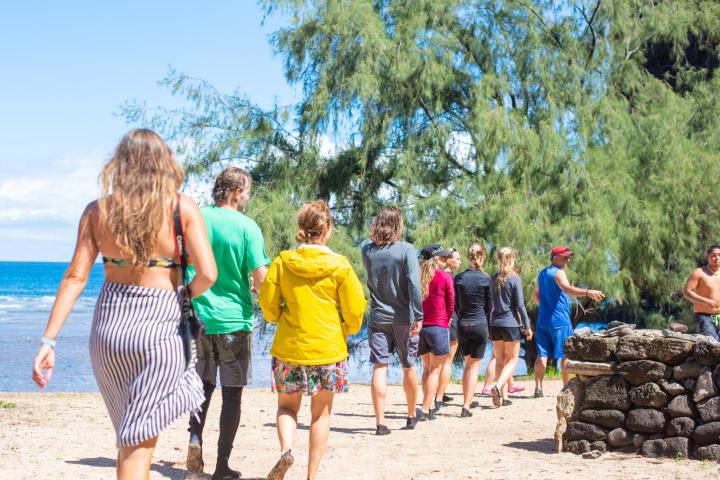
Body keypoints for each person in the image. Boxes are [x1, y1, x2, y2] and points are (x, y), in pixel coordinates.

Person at [32, 129, 217, 480]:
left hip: (109, 333)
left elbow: (75, 278)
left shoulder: (97, 211)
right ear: (163, 163)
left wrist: (48, 341)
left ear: (120, 164)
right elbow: (208, 274)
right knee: (138, 446)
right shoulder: (181, 208)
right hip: (159, 330)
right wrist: (181, 296)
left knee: (129, 439)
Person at [259, 201, 366, 480]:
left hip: (289, 348)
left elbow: (268, 306)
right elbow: (355, 311)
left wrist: (279, 316)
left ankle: (286, 451)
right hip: (328, 350)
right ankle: (312, 476)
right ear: (327, 228)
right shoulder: (340, 266)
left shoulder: (283, 261)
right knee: (321, 414)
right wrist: (345, 329)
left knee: (286, 407)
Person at [186, 167, 270, 479]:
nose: (247, 197)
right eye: (246, 191)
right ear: (236, 193)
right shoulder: (247, 227)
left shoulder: (198, 218)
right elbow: (261, 278)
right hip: (234, 321)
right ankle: (222, 466)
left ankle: (194, 439)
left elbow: (186, 261)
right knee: (231, 395)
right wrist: (275, 305)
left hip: (199, 318)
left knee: (202, 389)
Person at [361, 206, 424, 435]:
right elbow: (414, 285)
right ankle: (409, 415)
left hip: (378, 316)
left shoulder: (367, 251)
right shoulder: (406, 249)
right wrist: (419, 314)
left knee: (380, 366)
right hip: (403, 318)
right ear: (398, 224)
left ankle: (380, 422)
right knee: (409, 365)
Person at [534, 245, 605, 395]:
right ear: (555, 258)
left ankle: (538, 388)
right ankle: (566, 388)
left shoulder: (542, 273)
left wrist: (545, 306)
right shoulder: (559, 273)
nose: (568, 259)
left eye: (568, 256)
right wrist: (587, 292)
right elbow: (567, 289)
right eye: (565, 257)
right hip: (560, 321)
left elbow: (536, 295)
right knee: (565, 355)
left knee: (542, 355)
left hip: (543, 320)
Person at [489, 247, 532, 407]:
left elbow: (489, 305)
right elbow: (520, 305)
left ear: (499, 260)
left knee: (500, 361)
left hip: (495, 324)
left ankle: (504, 397)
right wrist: (527, 326)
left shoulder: (492, 278)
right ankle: (498, 386)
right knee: (512, 360)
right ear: (512, 260)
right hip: (510, 324)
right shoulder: (514, 278)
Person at [454, 244, 492, 417]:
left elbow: (455, 305)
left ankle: (466, 400)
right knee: (475, 366)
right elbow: (489, 307)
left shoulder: (459, 278)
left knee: (467, 365)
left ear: (468, 257)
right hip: (479, 325)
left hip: (463, 325)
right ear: (482, 257)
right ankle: (467, 406)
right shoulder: (486, 279)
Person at [418, 244, 454, 420]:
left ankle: (430, 404)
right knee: (434, 371)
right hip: (438, 327)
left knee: (426, 369)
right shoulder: (444, 277)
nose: (445, 260)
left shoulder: (416, 277)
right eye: (443, 257)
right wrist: (446, 320)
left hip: (421, 328)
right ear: (435, 259)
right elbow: (451, 302)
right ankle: (425, 408)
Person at [435, 248, 461, 408]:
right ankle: (439, 396)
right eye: (457, 259)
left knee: (436, 363)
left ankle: (439, 393)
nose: (459, 262)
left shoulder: (436, 276)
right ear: (448, 260)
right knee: (447, 362)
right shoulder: (450, 278)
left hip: (438, 322)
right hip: (450, 322)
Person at [683, 245, 720, 340]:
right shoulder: (699, 272)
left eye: (719, 255)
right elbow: (687, 292)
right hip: (705, 317)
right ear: (707, 257)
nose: (717, 258)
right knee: (712, 346)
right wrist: (706, 301)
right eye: (713, 255)